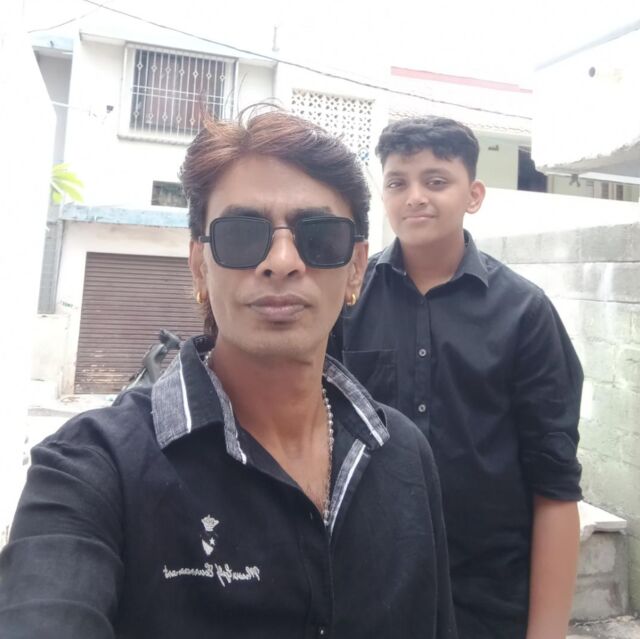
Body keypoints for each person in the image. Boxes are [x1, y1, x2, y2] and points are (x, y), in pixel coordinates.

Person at [0, 109, 457, 638]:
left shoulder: (403, 453)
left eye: (319, 235)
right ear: (200, 265)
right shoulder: (92, 467)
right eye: (242, 234)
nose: (282, 260)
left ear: (355, 267)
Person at [330, 116, 583, 639]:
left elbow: (555, 484)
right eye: (398, 182)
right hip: (369, 590)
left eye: (436, 180)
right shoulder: (344, 304)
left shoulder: (525, 313)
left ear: (474, 195)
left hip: (491, 601)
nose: (415, 197)